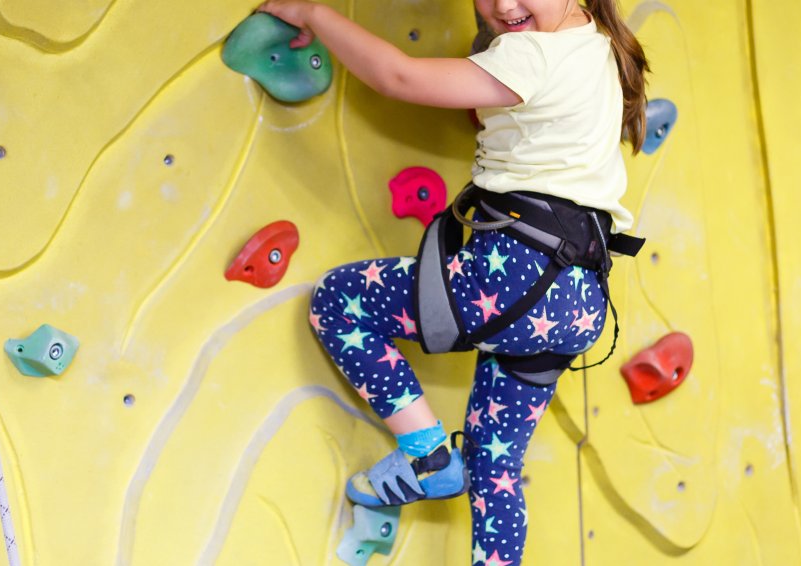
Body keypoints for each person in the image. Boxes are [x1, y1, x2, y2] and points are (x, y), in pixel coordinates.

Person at [258, 0, 650, 562]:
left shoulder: (530, 54)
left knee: (340, 303)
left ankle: (427, 456)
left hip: (515, 277)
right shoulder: (599, 44)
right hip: (579, 299)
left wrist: (314, 14)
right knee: (497, 474)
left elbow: (399, 75)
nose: (503, 5)